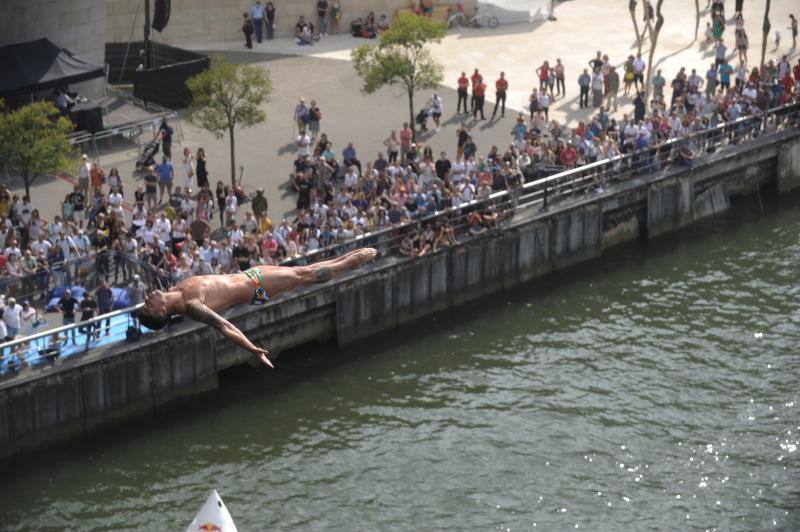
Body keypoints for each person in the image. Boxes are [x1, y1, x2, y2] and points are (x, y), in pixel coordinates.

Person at [137, 248, 378, 366]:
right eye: (148, 306)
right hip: (257, 288)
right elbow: (225, 327)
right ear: (161, 312)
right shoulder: (191, 306)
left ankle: (350, 259)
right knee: (305, 275)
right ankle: (352, 262)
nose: (148, 299)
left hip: (250, 275)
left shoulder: (174, 290)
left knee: (304, 271)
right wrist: (253, 350)